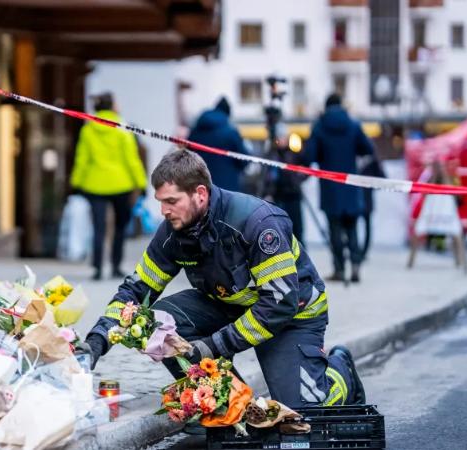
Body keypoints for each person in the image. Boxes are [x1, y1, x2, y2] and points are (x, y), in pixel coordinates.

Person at [77, 150, 365, 410]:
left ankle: (342, 372)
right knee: (156, 323)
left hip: (292, 315)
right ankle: (228, 405)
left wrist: (213, 346)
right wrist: (97, 341)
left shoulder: (258, 224)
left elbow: (279, 305)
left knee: (302, 410)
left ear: (200, 194)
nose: (163, 211)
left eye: (171, 201)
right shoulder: (173, 232)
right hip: (231, 306)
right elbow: (136, 292)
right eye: (160, 202)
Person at [69, 92, 147, 280]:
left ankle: (97, 268)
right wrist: (141, 183)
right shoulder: (122, 128)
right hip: (121, 184)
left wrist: (76, 182)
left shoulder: (88, 130)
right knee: (120, 226)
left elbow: (82, 159)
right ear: (112, 106)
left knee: (98, 227)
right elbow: (132, 159)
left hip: (94, 184)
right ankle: (115, 265)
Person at [303, 94, 376, 283]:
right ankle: (356, 265)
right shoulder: (353, 125)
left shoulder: (319, 126)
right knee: (352, 228)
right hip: (350, 186)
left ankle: (339, 269)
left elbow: (309, 155)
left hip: (330, 188)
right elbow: (367, 148)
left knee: (334, 229)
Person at [187, 96, 249, 192]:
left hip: (200, 189)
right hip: (226, 191)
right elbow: (244, 160)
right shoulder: (230, 132)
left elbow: (188, 157)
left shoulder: (195, 131)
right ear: (227, 114)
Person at [264, 124, 307, 244]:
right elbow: (267, 175)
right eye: (279, 137)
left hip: (293, 194)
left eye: (283, 137)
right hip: (278, 196)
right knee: (280, 229)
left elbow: (306, 168)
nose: (281, 140)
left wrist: (298, 178)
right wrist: (268, 193)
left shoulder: (294, 152)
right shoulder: (272, 153)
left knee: (297, 229)